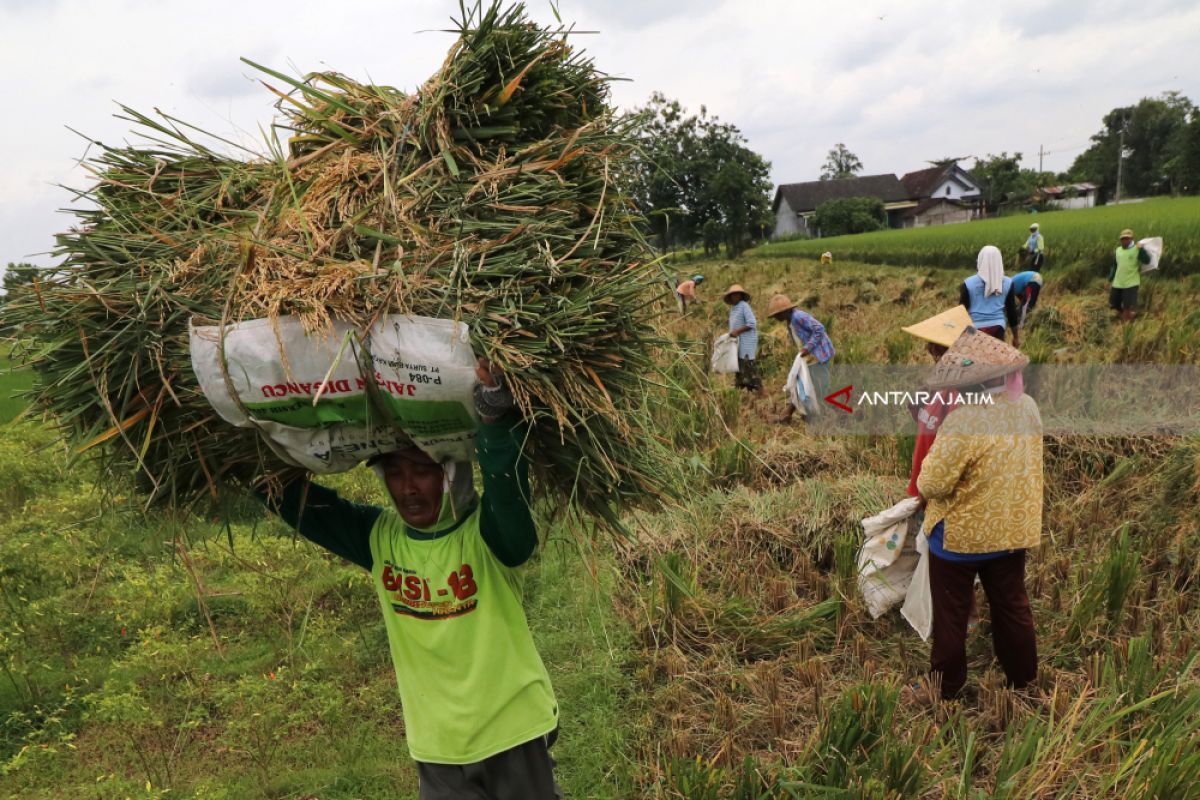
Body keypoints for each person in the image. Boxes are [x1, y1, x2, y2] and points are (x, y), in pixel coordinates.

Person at [259, 359, 561, 800]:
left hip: (513, 731)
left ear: (450, 474)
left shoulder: (490, 536)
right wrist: (232, 446)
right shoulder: (378, 538)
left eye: (422, 471)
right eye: (395, 473)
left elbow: (508, 492)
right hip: (438, 748)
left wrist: (494, 417)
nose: (407, 487)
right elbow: (293, 502)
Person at [915, 328, 1043, 702]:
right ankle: (1024, 681)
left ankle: (945, 686)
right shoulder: (1028, 407)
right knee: (1012, 606)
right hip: (1012, 530)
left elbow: (932, 483)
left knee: (951, 614)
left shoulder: (964, 421)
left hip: (961, 540)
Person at [899, 305, 973, 498]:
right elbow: (918, 413)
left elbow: (953, 452)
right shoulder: (937, 382)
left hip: (940, 490)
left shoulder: (961, 395)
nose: (928, 348)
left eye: (935, 344)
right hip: (924, 477)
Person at [766, 293, 834, 423]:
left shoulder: (798, 317)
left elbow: (819, 329)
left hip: (818, 355)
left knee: (819, 386)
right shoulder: (789, 322)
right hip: (808, 357)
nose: (776, 318)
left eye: (777, 315)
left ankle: (824, 416)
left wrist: (807, 348)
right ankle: (797, 413)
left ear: (784, 312)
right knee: (803, 385)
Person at [959, 245, 1020, 345]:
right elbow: (1011, 312)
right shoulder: (1008, 283)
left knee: (974, 358)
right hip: (997, 328)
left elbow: (961, 312)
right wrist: (1016, 337)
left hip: (973, 329)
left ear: (980, 260)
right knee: (995, 357)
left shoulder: (968, 283)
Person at [724, 284, 762, 394]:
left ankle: (760, 390)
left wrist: (737, 332)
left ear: (741, 296)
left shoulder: (744, 306)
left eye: (737, 294)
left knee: (748, 365)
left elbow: (752, 323)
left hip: (747, 342)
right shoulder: (733, 309)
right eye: (732, 295)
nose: (734, 296)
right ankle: (740, 389)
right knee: (739, 365)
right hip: (738, 342)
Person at [1108, 228, 1151, 323]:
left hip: (1131, 283)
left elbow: (1147, 261)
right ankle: (1127, 316)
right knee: (1113, 303)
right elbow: (1114, 266)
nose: (1124, 240)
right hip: (1118, 282)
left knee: (1127, 305)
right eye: (1123, 239)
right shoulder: (1118, 250)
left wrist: (1142, 250)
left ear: (1131, 239)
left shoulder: (1137, 249)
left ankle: (1126, 325)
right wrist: (1110, 279)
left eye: (1127, 238)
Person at [1009, 270, 1043, 342]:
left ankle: (1021, 326)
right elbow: (1021, 299)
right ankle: (1029, 322)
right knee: (1029, 304)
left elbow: (1011, 303)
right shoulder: (1015, 285)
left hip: (1032, 280)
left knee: (1026, 306)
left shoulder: (1009, 285)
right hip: (1036, 279)